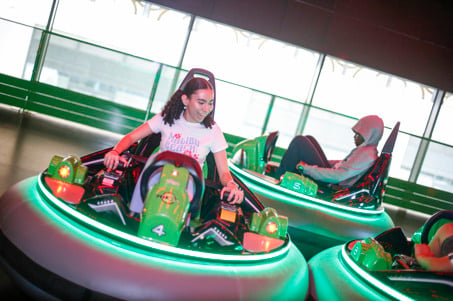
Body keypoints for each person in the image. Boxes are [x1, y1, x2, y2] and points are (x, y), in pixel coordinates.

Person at [104, 75, 244, 214]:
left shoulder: (213, 131)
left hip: (189, 184)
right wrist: (115, 152)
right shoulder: (166, 118)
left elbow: (224, 172)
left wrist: (231, 184)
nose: (207, 108)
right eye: (201, 102)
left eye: (210, 103)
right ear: (185, 100)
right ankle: (136, 213)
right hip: (157, 176)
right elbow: (131, 137)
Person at [275, 115, 384, 188]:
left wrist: (306, 168)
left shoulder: (365, 155)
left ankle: (278, 178)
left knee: (299, 142)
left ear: (369, 135)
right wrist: (320, 163)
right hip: (332, 179)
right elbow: (344, 164)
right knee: (309, 138)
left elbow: (338, 176)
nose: (354, 137)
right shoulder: (367, 151)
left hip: (330, 184)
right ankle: (282, 174)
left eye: (358, 135)